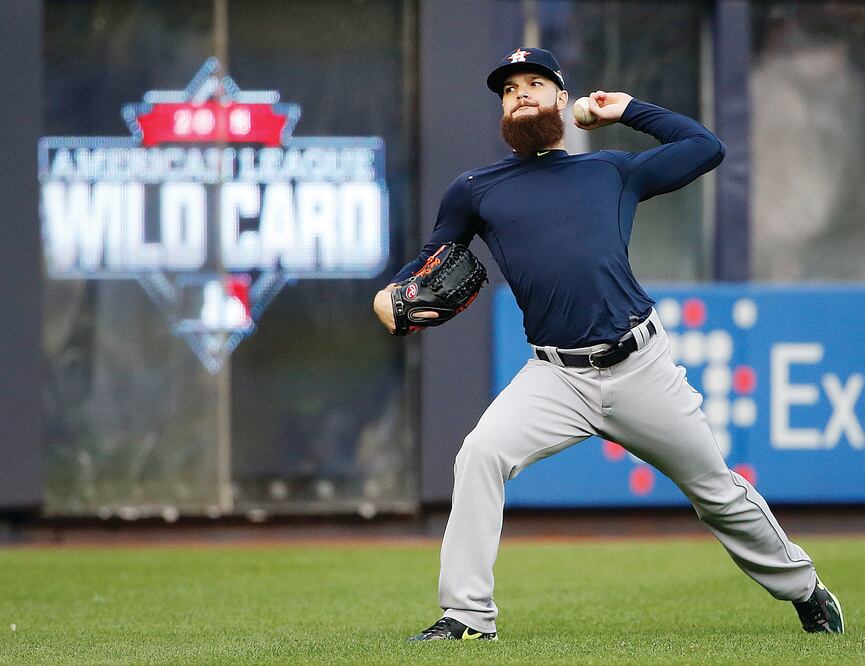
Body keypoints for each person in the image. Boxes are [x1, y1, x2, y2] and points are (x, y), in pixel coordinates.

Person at [373, 47, 844, 641]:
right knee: (480, 455)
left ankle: (805, 589)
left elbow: (707, 148)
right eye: (510, 87)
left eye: (535, 83)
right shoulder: (475, 190)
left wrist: (628, 110)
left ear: (561, 101)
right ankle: (466, 617)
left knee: (717, 493)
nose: (521, 92)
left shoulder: (610, 170)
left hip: (640, 366)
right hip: (556, 377)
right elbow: (430, 263)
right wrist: (390, 294)